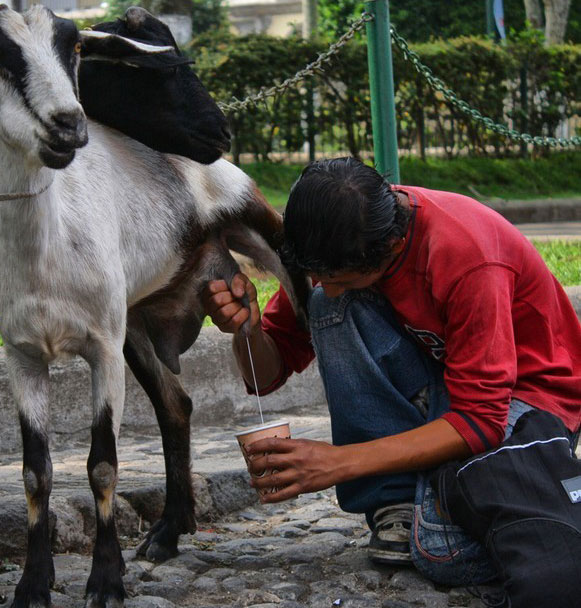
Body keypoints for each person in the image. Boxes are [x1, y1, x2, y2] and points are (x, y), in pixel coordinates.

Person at [203, 157, 581, 585]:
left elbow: (481, 421)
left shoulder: (465, 255)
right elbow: (265, 377)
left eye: (340, 278)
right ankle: (397, 500)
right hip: (449, 390)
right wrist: (247, 331)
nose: (325, 286)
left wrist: (338, 463)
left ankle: (458, 495)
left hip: (528, 398)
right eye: (317, 276)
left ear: (394, 248)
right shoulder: (331, 246)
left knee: (442, 552)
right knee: (327, 305)